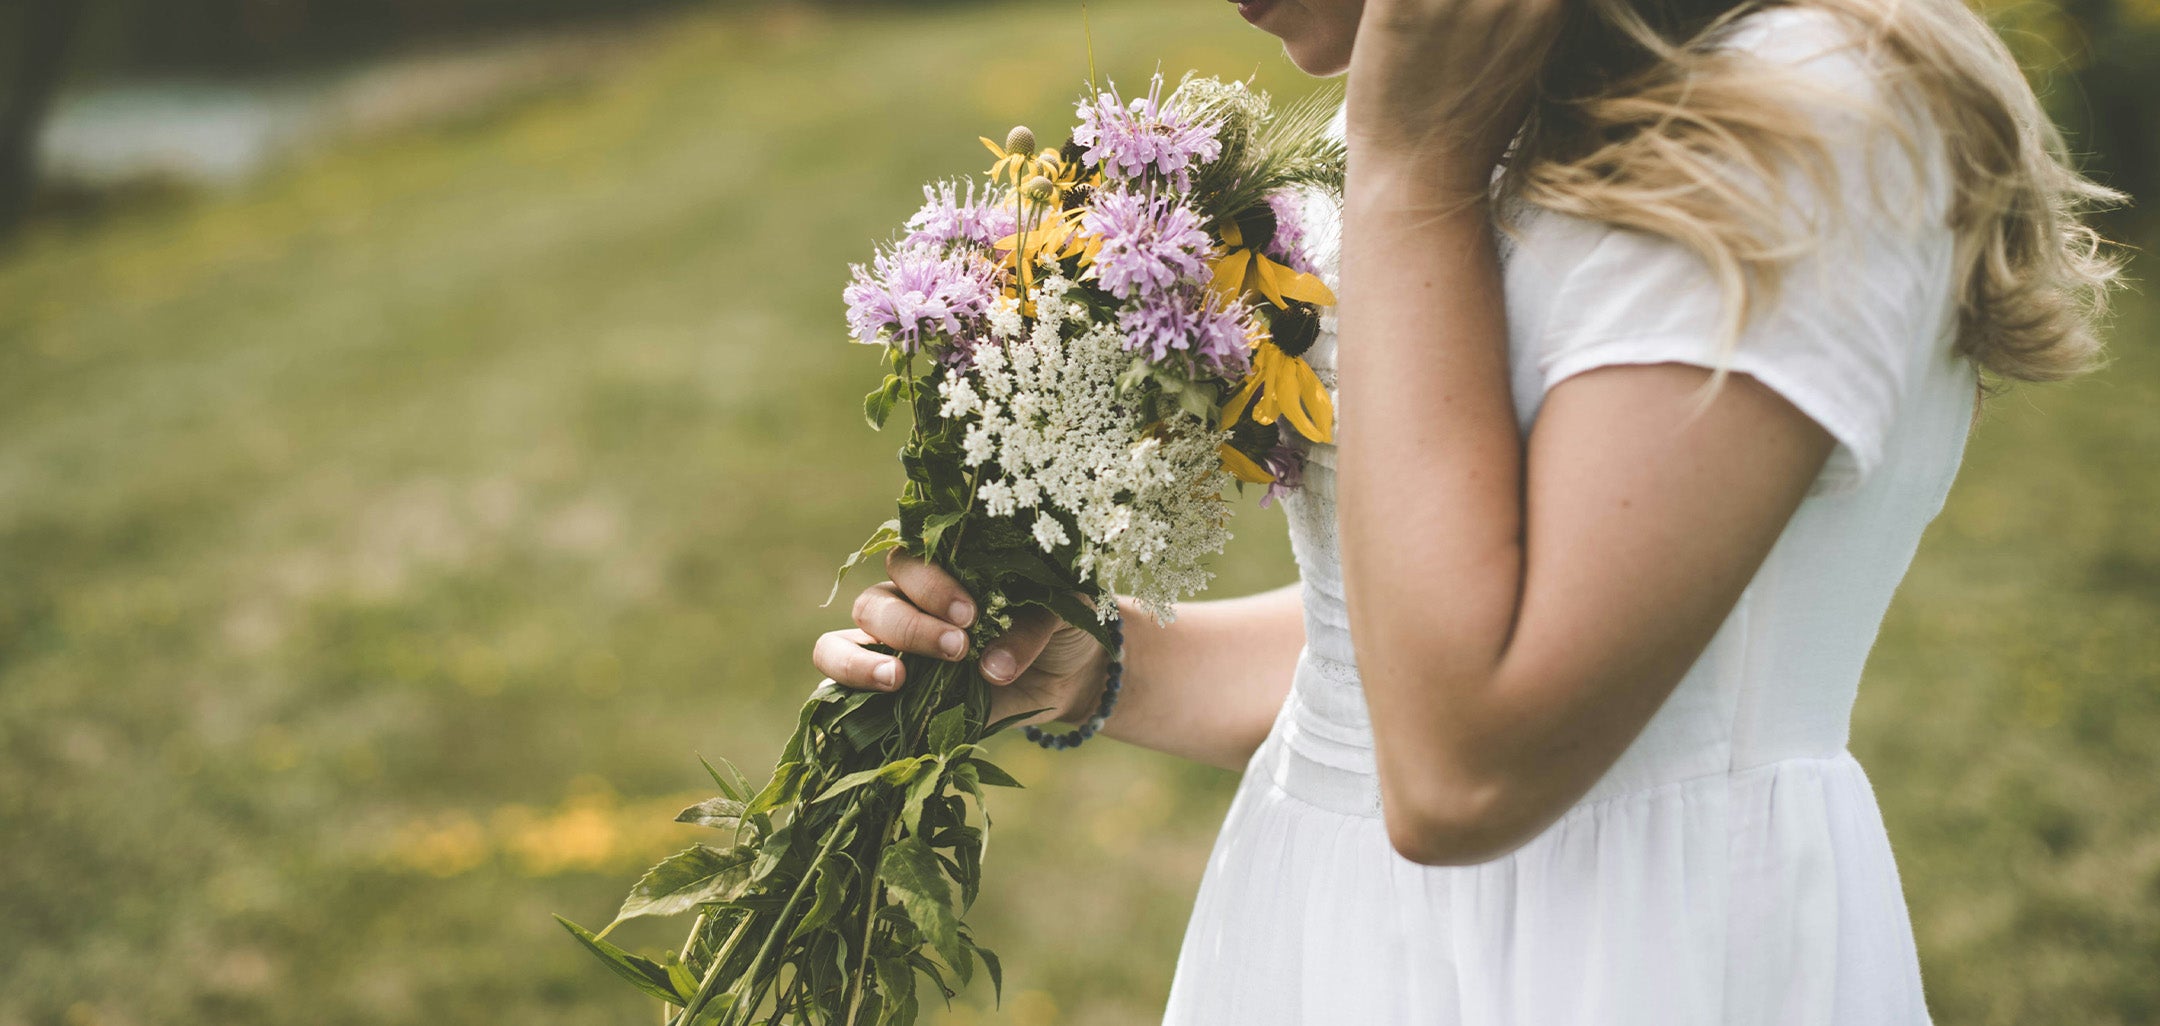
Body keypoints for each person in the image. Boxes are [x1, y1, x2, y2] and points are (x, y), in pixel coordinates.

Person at [812, 0, 2121, 1020]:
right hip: (1325, 929)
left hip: (1626, 953)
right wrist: (1109, 670)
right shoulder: (1470, 102)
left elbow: (1468, 764)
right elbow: (1394, 641)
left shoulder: (1798, 131)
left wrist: (1410, 176)